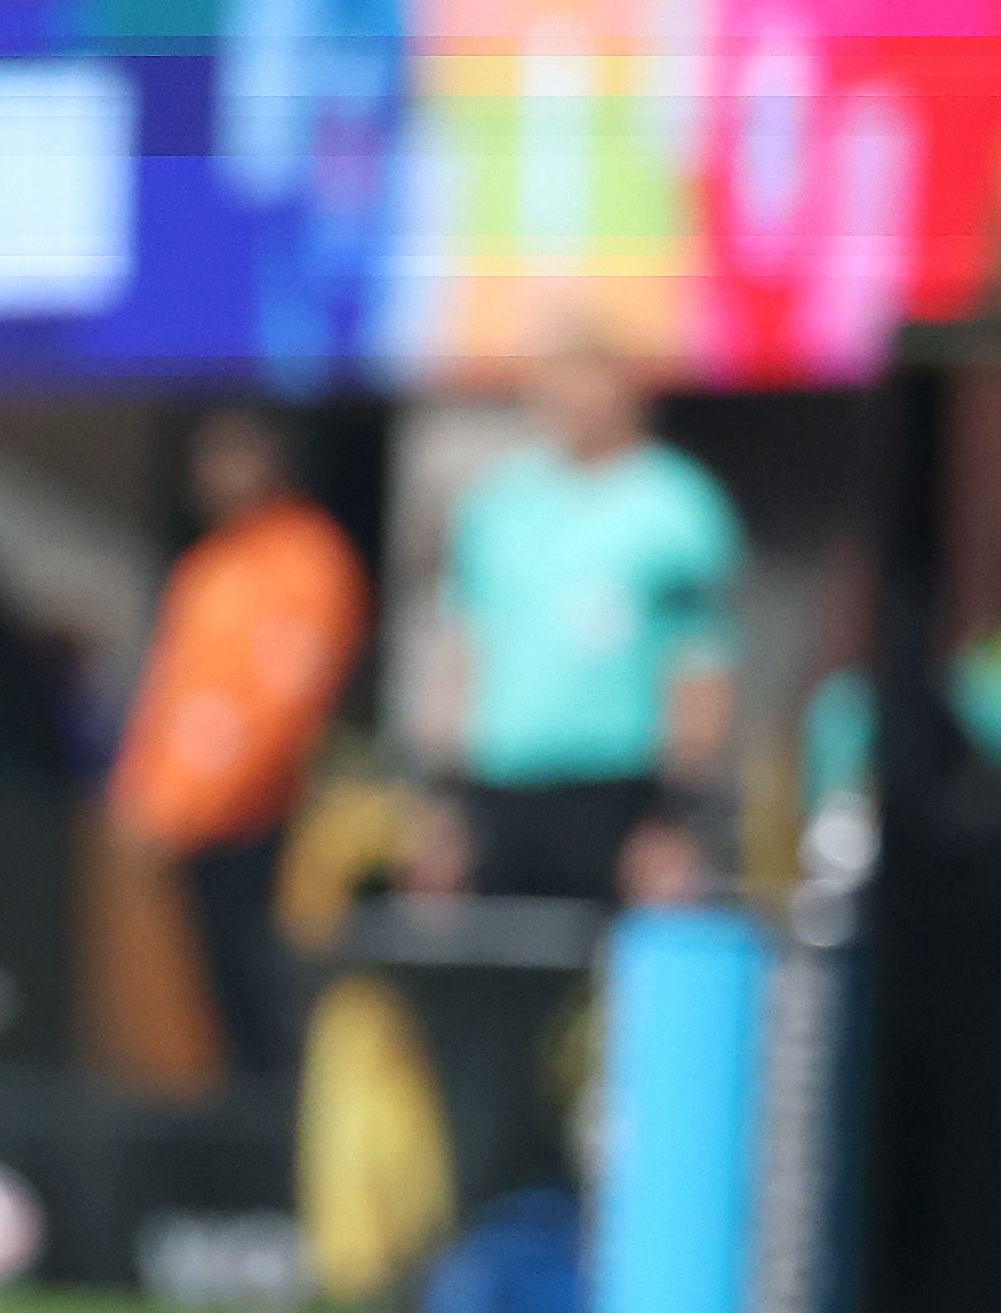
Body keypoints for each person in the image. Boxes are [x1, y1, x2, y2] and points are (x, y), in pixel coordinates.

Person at [417, 322, 742, 908]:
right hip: (504, 787)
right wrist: (447, 812)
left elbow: (701, 665)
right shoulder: (497, 505)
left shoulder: (675, 506)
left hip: (616, 787)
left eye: (587, 384)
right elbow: (466, 649)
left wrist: (676, 816)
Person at [108, 407, 366, 1083]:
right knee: (208, 1010)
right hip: (189, 835)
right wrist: (142, 799)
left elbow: (280, 710)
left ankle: (281, 1160)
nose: (217, 474)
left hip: (266, 824)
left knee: (272, 1002)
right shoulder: (206, 568)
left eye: (235, 454)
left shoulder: (308, 558)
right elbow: (169, 696)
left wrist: (194, 804)